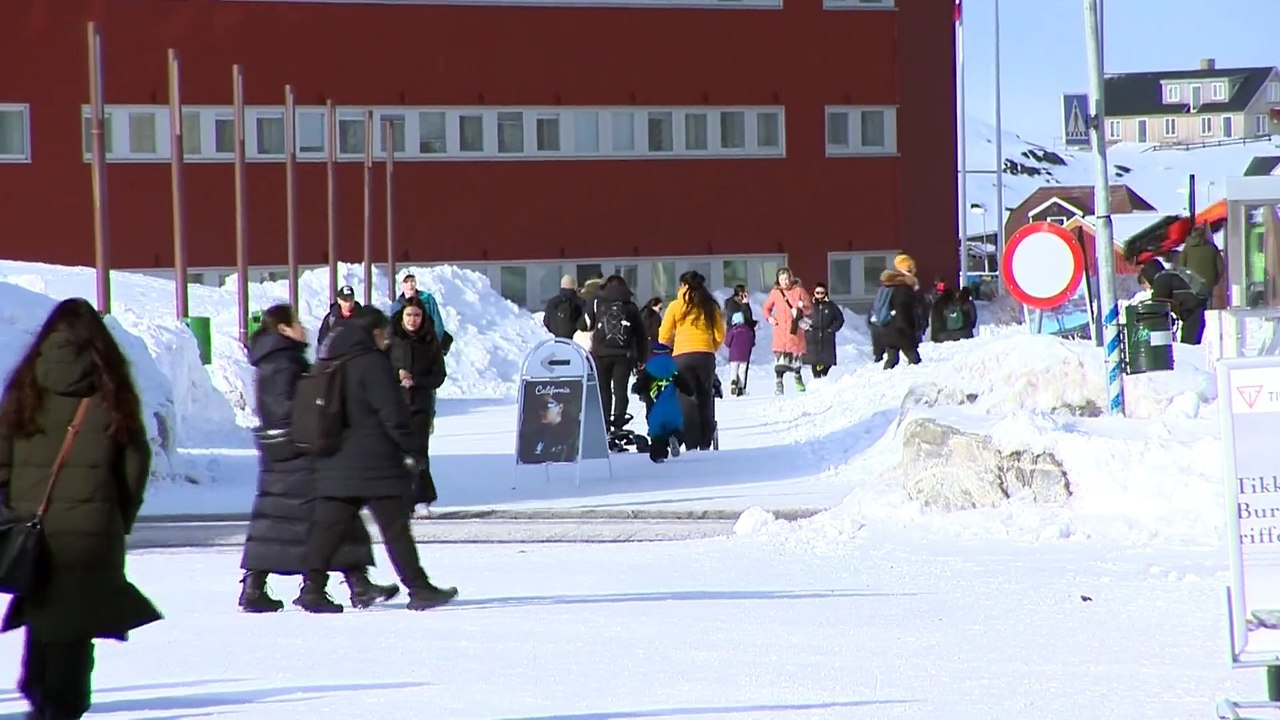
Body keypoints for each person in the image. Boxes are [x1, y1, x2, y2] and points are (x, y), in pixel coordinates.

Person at [0, 298, 161, 720]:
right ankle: (64, 702)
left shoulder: (25, 386)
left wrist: (10, 507)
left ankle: (39, 691)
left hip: (31, 524)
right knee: (75, 620)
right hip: (93, 527)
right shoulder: (111, 393)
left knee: (43, 612)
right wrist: (118, 515)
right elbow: (134, 464)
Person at [240, 304, 399, 614]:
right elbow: (292, 409)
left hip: (279, 455)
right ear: (284, 329)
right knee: (336, 516)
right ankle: (351, 585)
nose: (304, 328)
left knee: (276, 525)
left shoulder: (271, 361)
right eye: (297, 322)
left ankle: (254, 588)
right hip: (300, 453)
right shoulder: (286, 362)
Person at [299, 307, 457, 613]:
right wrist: (412, 448)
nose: (387, 340)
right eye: (384, 333)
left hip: (335, 461)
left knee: (328, 529)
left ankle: (312, 589)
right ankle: (419, 588)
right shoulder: (371, 362)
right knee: (395, 528)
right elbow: (392, 413)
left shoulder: (329, 360)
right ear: (373, 333)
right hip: (374, 463)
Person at [388, 296, 446, 508]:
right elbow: (378, 369)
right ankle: (396, 497)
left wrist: (417, 381)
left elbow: (439, 375)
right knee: (395, 452)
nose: (413, 320)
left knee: (419, 452)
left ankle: (422, 498)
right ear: (401, 316)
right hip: (395, 404)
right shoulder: (391, 339)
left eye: (417, 315)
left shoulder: (429, 341)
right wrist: (397, 374)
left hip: (420, 405)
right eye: (409, 315)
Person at [658, 270, 725, 452]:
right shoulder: (710, 305)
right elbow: (720, 334)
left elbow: (663, 335)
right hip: (705, 356)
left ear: (683, 285)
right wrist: (710, 347)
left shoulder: (675, 306)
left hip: (682, 356)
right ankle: (705, 440)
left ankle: (690, 441)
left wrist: (668, 351)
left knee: (687, 399)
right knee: (705, 397)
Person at [586, 275, 648, 439]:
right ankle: (618, 424)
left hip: (601, 354)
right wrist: (642, 358)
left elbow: (585, 324)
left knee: (603, 390)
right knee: (620, 390)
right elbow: (641, 334)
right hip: (623, 355)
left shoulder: (598, 302)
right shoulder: (630, 306)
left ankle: (604, 424)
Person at [632, 343, 696, 463]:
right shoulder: (673, 370)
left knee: (657, 435)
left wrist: (638, 391)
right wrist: (691, 392)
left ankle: (659, 455)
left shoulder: (648, 371)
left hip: (654, 410)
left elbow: (638, 386)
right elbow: (686, 387)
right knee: (676, 430)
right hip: (672, 410)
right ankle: (674, 438)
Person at [761, 267, 812, 394]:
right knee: (780, 361)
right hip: (780, 331)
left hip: (795, 330)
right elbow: (766, 308)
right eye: (782, 279)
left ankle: (797, 377)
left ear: (791, 278)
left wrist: (802, 306)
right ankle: (779, 383)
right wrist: (770, 318)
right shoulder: (775, 293)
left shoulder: (799, 290)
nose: (785, 282)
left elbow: (809, 308)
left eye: (786, 278)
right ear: (778, 280)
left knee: (795, 358)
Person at [1139, 259, 1210, 345]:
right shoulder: (1169, 275)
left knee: (1188, 346)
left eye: (1145, 282)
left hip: (1192, 312)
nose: (1147, 287)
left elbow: (1157, 306)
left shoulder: (1161, 279)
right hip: (1195, 309)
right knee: (1190, 344)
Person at [877, 254, 923, 369]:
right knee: (914, 360)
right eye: (912, 267)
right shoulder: (903, 288)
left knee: (892, 358)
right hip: (901, 329)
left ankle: (884, 376)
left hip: (888, 328)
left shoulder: (889, 285)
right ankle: (916, 377)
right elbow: (903, 310)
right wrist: (908, 330)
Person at [1175, 223, 1226, 309]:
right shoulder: (1212, 248)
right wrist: (1214, 281)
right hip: (1208, 284)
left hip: (1191, 284)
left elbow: (1181, 267)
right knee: (1207, 307)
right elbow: (1221, 268)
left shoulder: (1187, 249)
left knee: (1194, 308)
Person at [518, 394, 580, 464]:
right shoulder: (535, 435)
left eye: (545, 406)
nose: (540, 411)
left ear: (560, 407)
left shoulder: (573, 435)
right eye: (538, 407)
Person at [390, 273, 448, 347]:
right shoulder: (397, 305)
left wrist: (434, 345)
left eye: (412, 281)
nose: (410, 284)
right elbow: (394, 329)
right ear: (401, 285)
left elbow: (438, 325)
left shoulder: (427, 299)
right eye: (406, 282)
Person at [803, 282, 845, 378]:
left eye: (822, 293)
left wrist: (832, 329)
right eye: (817, 293)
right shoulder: (810, 305)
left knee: (827, 361)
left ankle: (824, 375)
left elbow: (840, 319)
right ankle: (817, 378)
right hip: (812, 336)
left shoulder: (831, 306)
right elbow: (800, 317)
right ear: (814, 293)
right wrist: (807, 327)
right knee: (814, 360)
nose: (820, 295)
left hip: (827, 336)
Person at [317, 285, 361, 350]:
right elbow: (322, 341)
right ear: (339, 300)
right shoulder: (331, 318)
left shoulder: (362, 316)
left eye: (351, 299)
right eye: (345, 300)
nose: (348, 303)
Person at [544, 274, 588, 340]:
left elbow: (546, 322)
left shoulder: (552, 302)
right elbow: (584, 323)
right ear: (575, 286)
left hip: (558, 339)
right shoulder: (581, 302)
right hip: (576, 341)